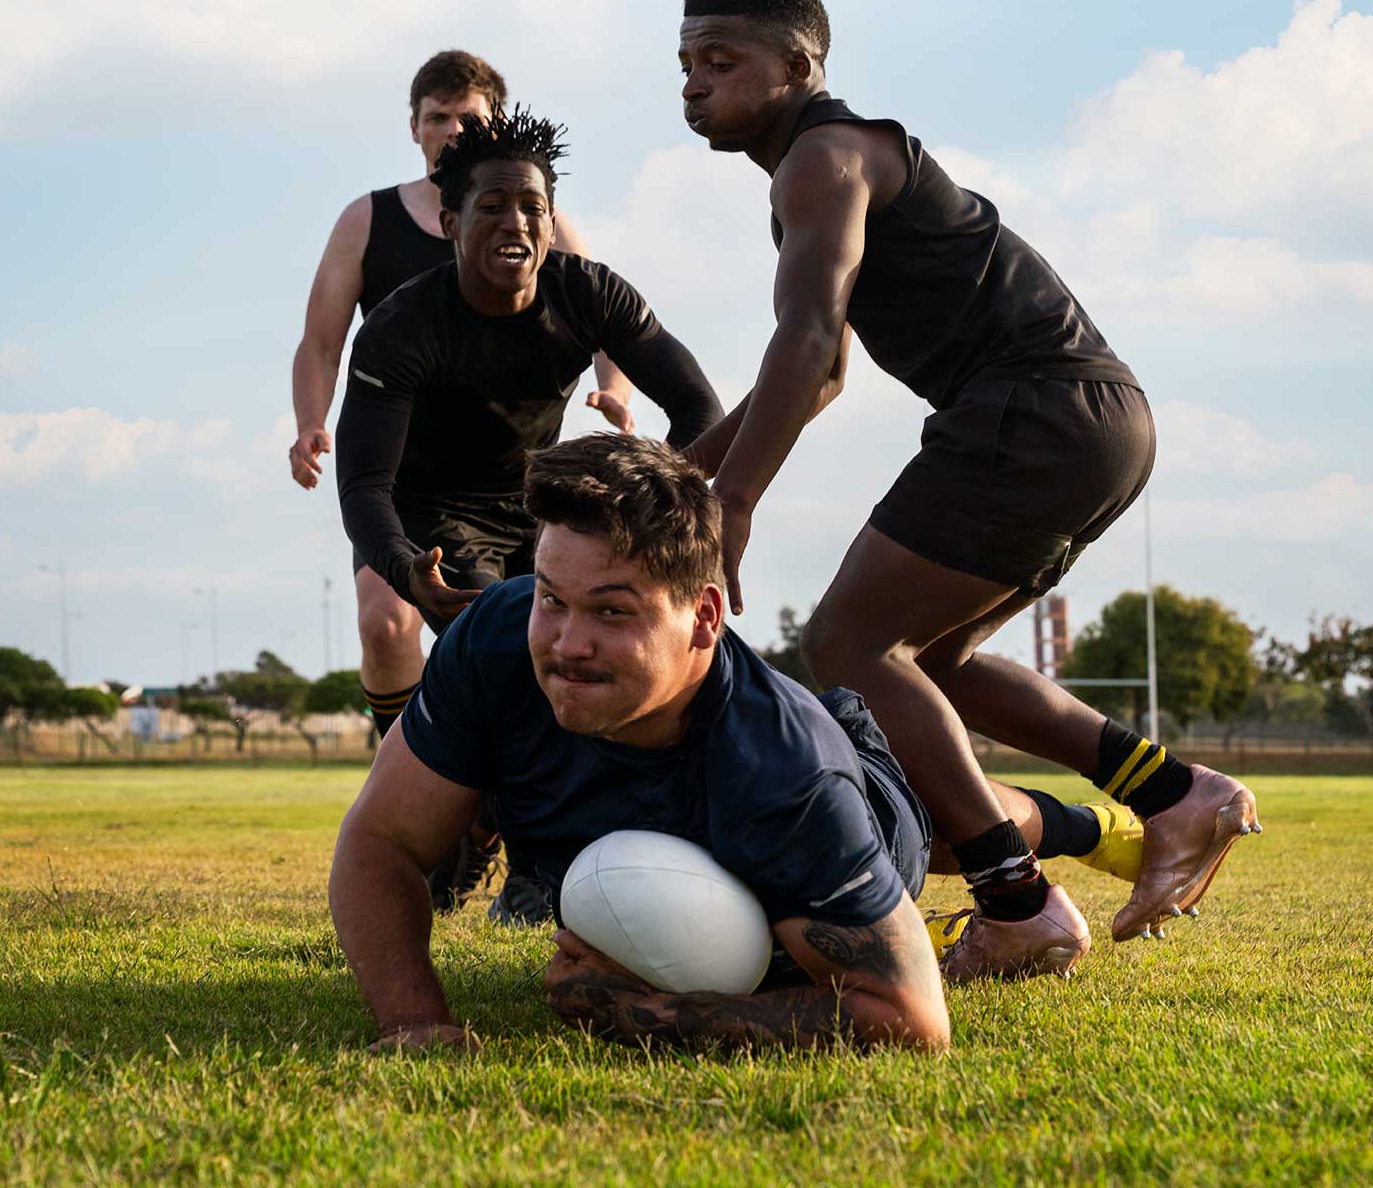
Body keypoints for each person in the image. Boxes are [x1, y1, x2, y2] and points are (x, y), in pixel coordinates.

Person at [673, 0, 1261, 976]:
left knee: (846, 641)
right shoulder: (820, 172)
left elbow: (809, 341)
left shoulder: (822, 158)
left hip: (1034, 409)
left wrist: (731, 502)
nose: (694, 85)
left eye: (721, 63)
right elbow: (821, 382)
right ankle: (1172, 795)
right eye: (685, 66)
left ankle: (1020, 904)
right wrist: (681, 473)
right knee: (927, 662)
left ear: (800, 66)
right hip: (1092, 421)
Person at [327, 433, 1144, 1054]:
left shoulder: (785, 774)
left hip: (847, 785)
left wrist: (635, 1011)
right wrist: (416, 1022)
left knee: (939, 828)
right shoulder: (500, 639)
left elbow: (910, 1019)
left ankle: (1086, 829)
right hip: (742, 798)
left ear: (705, 617)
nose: (567, 642)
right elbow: (381, 839)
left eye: (614, 611)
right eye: (553, 598)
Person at [333, 108, 723, 925]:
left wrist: (655, 513)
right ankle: (514, 856)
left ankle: (505, 838)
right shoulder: (403, 325)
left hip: (545, 509)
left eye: (532, 207)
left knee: (592, 661)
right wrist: (407, 570)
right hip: (435, 517)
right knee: (523, 657)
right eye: (492, 206)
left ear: (551, 223)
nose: (515, 221)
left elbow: (697, 406)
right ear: (450, 221)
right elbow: (366, 482)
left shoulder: (590, 292)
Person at [288, 49, 635, 747]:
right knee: (385, 624)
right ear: (414, 129)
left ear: (496, 122)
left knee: (522, 637)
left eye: (466, 116)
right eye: (436, 117)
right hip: (399, 478)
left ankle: (508, 794)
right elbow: (321, 340)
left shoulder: (542, 221)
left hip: (517, 480)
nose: (451, 129)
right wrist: (310, 424)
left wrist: (613, 391)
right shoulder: (368, 219)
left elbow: (608, 322)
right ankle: (398, 766)